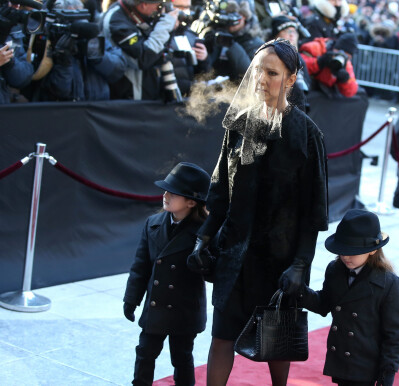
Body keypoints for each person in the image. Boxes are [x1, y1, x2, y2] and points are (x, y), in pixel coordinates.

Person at [186, 38, 328, 386]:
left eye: (272, 72)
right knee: (221, 336)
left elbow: (314, 213)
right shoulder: (240, 123)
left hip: (280, 261)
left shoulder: (308, 136)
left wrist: (299, 265)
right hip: (234, 252)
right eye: (257, 70)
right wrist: (203, 239)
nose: (261, 79)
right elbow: (220, 191)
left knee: (277, 342)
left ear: (291, 79)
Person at [123, 162, 211, 386]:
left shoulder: (205, 233)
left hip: (184, 310)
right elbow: (140, 268)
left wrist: (204, 261)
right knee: (145, 352)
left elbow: (214, 272)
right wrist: (131, 300)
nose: (165, 195)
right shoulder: (152, 224)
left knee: (181, 357)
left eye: (173, 193)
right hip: (157, 306)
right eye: (165, 190)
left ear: (191, 202)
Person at [299, 209, 399, 386]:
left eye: (352, 252)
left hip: (366, 366)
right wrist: (299, 291)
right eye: (342, 250)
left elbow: (394, 335)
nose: (346, 256)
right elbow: (324, 304)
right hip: (341, 359)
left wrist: (388, 372)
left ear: (372, 251)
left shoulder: (389, 284)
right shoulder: (335, 270)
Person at [103, 0, 179, 100]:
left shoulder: (141, 14)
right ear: (143, 5)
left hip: (152, 91)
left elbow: (161, 50)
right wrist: (165, 25)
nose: (160, 9)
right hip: (129, 98)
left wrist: (170, 28)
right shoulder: (116, 20)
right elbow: (145, 58)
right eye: (159, 5)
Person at [269, 14, 311, 111]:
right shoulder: (270, 55)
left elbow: (307, 82)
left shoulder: (298, 57)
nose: (292, 34)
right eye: (287, 31)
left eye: (294, 32)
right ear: (277, 34)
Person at [299, 32, 358, 98]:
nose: (341, 56)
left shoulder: (345, 63)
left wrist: (345, 79)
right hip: (306, 87)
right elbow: (297, 65)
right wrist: (319, 62)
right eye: (339, 52)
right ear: (335, 47)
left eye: (346, 56)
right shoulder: (316, 48)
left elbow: (351, 91)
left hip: (323, 93)